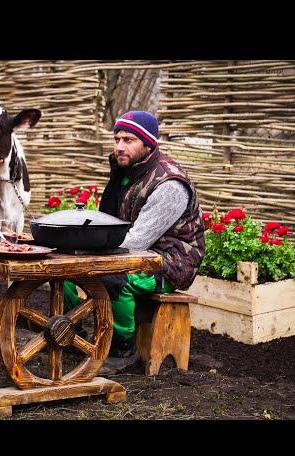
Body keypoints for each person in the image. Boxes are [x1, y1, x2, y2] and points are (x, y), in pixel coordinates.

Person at [64, 111, 205, 375]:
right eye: (116, 138)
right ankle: (70, 332)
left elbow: (138, 241)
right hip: (138, 251)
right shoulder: (129, 171)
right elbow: (113, 223)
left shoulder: (169, 184)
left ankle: (122, 348)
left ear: (148, 143)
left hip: (168, 263)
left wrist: (91, 251)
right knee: (63, 270)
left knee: (114, 275)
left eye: (128, 140)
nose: (119, 146)